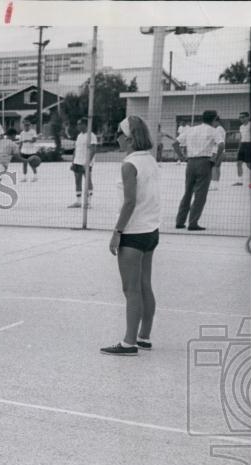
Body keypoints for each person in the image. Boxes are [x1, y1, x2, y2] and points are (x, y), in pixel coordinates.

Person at [100, 117, 161, 357]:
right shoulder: (151, 160)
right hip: (151, 231)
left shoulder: (129, 164)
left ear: (129, 137)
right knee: (145, 284)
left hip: (134, 233)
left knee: (131, 289)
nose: (116, 137)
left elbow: (129, 202)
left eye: (118, 132)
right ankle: (144, 337)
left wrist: (117, 232)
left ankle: (128, 343)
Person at [173, 110, 220, 231]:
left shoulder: (191, 130)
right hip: (204, 161)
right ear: (214, 119)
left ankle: (180, 221)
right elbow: (221, 145)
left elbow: (175, 143)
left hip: (191, 162)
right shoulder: (214, 131)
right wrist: (215, 159)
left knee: (187, 192)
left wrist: (181, 157)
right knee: (200, 194)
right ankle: (193, 223)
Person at [68, 117, 97, 207]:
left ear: (85, 124)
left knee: (88, 180)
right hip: (77, 161)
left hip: (86, 162)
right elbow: (76, 149)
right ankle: (78, 201)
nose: (78, 126)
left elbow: (93, 149)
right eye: (78, 124)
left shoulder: (91, 135)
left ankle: (88, 202)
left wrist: (88, 162)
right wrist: (73, 161)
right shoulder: (79, 136)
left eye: (80, 124)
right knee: (77, 180)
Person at [234, 112, 251, 185]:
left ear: (248, 117)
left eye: (243, 117)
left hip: (249, 145)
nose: (242, 119)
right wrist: (238, 149)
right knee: (238, 163)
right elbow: (240, 138)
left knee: (248, 164)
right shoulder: (241, 127)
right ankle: (240, 181)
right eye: (240, 117)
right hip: (242, 145)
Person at [210, 115, 227, 189]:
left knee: (213, 168)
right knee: (217, 167)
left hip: (216, 151)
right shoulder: (221, 129)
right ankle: (216, 185)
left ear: (216, 121)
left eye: (212, 122)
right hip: (221, 151)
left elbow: (218, 142)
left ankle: (213, 185)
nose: (211, 124)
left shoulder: (218, 129)